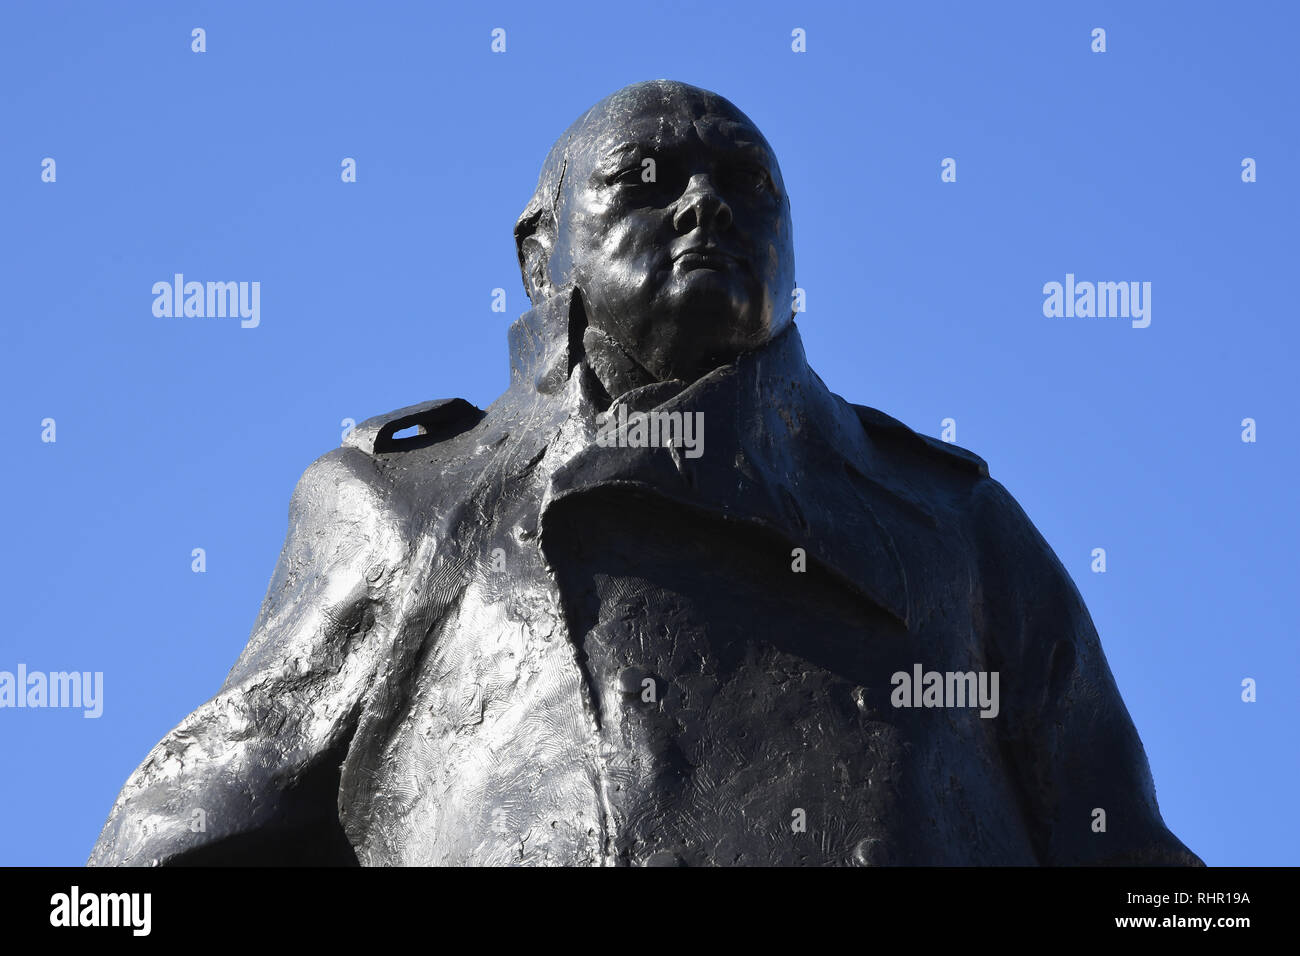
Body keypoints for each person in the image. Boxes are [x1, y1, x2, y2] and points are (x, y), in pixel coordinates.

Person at [90, 80, 1202, 866]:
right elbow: (181, 829)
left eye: (745, 184)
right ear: (541, 256)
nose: (705, 205)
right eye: (646, 180)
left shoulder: (953, 523)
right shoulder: (400, 505)